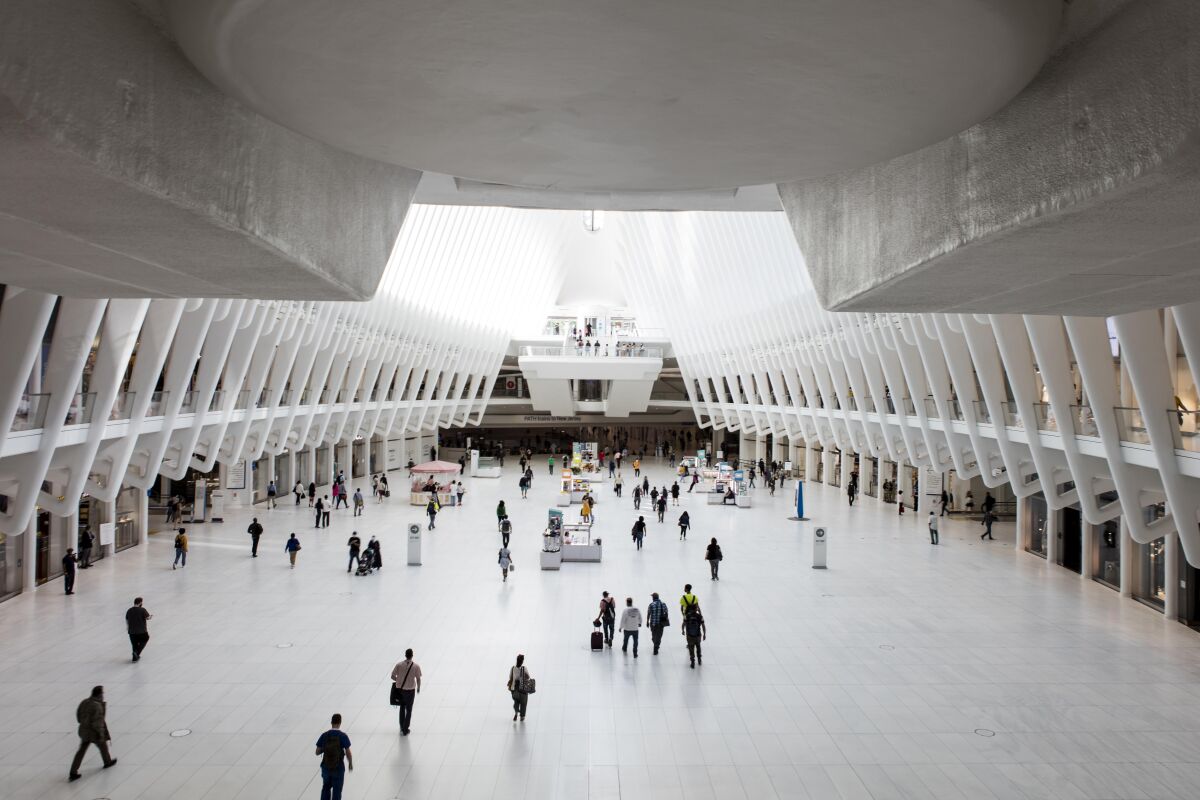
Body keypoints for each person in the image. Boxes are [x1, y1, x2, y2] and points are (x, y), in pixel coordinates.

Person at [68, 686, 116, 781]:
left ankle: (73, 771)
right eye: (102, 694)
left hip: (84, 731)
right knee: (103, 746)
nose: (103, 696)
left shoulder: (84, 702)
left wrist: (83, 724)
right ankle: (107, 762)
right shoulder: (97, 706)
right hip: (93, 733)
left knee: (81, 751)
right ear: (99, 695)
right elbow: (97, 723)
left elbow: (78, 716)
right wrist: (101, 734)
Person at [315, 713, 353, 800]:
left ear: (331, 722)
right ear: (340, 722)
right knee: (337, 790)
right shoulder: (343, 736)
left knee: (326, 788)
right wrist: (350, 763)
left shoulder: (324, 735)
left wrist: (325, 748)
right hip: (338, 767)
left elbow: (317, 752)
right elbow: (348, 752)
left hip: (326, 766)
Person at [391, 649, 422, 735]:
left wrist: (398, 681)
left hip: (400, 690)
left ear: (405, 655)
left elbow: (392, 676)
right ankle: (405, 728)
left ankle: (401, 726)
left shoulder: (399, 665)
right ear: (412, 655)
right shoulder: (416, 666)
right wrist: (418, 688)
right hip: (411, 691)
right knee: (409, 709)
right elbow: (418, 678)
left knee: (402, 707)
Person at [507, 654, 532, 722]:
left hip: (515, 688)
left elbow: (510, 677)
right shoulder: (524, 668)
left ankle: (516, 712)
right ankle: (522, 716)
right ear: (522, 661)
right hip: (523, 687)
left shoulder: (513, 668)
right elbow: (528, 677)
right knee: (523, 702)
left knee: (516, 701)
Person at [125, 597, 151, 662]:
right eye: (142, 602)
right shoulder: (142, 610)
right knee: (145, 639)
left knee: (134, 644)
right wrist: (150, 616)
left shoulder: (129, 610)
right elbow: (148, 618)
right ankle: (136, 653)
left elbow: (127, 619)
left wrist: (128, 627)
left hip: (131, 631)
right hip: (142, 631)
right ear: (140, 603)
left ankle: (134, 658)